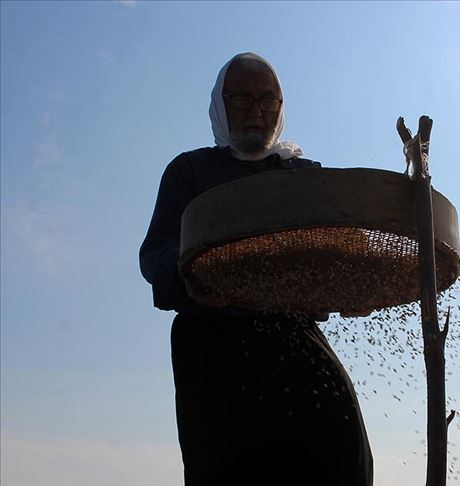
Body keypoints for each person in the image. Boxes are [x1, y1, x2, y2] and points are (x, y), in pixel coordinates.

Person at [139, 52, 373, 486]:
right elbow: (157, 253)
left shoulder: (303, 176)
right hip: (213, 343)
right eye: (243, 99)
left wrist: (354, 289)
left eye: (268, 101)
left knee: (341, 452)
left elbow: (332, 248)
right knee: (231, 466)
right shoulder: (189, 171)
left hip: (292, 335)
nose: (256, 112)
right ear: (219, 104)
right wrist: (191, 276)